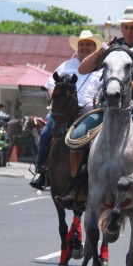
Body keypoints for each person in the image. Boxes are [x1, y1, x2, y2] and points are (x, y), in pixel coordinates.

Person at [64, 5, 133, 217]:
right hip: (107, 109)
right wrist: (102, 50)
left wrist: (130, 85)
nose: (129, 31)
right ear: (121, 29)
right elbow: (83, 69)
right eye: (126, 27)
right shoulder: (112, 48)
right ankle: (77, 189)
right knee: (76, 137)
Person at [29, 30, 104, 190]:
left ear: (95, 47)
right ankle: (42, 172)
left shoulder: (101, 68)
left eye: (88, 44)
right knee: (46, 134)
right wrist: (55, 101)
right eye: (81, 44)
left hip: (89, 114)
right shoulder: (66, 65)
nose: (84, 47)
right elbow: (50, 85)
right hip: (62, 113)